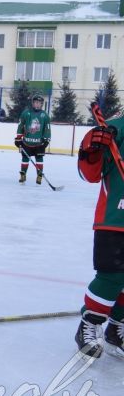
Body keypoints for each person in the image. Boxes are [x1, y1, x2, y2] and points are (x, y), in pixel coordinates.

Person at [74, 118, 124, 357]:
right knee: (111, 277)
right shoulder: (113, 129)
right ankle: (89, 324)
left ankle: (116, 328)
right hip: (115, 218)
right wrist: (92, 150)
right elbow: (89, 175)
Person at [15, 93, 51, 185]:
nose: (37, 104)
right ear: (32, 103)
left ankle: (39, 175)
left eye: (39, 103)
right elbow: (20, 125)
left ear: (42, 104)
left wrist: (46, 139)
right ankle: (23, 175)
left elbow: (47, 128)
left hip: (39, 143)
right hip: (27, 142)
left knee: (39, 158)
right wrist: (18, 138)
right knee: (25, 158)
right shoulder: (26, 113)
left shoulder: (45, 115)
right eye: (35, 102)